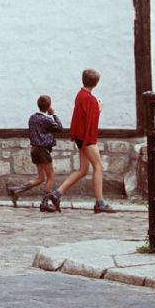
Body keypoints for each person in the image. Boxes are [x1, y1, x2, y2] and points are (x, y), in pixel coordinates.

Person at [46, 69, 117, 213]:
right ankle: (99, 202)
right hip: (87, 139)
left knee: (83, 170)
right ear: (96, 84)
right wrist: (99, 109)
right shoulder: (90, 99)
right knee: (98, 166)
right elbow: (91, 120)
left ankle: (56, 194)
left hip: (80, 137)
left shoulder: (80, 94)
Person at [7, 94, 62, 207]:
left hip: (35, 150)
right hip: (43, 151)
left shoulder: (32, 117)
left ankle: (15, 190)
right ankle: (45, 202)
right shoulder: (47, 119)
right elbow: (59, 128)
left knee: (41, 178)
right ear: (49, 106)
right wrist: (54, 114)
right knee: (51, 176)